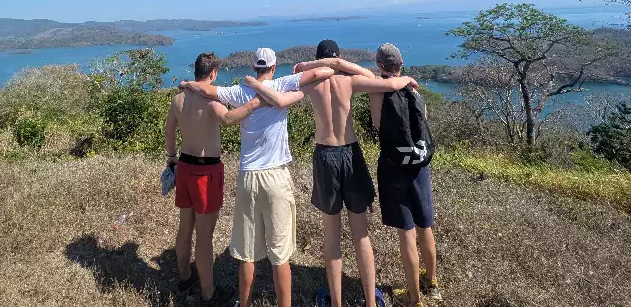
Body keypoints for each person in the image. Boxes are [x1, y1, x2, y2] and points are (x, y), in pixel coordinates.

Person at [246, 40, 417, 307]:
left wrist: (257, 82)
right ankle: (371, 303)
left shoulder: (310, 84)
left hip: (325, 156)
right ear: (339, 57)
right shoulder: (351, 81)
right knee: (361, 235)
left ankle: (335, 302)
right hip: (351, 154)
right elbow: (384, 82)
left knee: (332, 237)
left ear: (318, 59)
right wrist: (406, 79)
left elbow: (280, 94)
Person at [181, 48, 335, 307]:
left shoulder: (240, 92)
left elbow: (206, 90)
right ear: (273, 67)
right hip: (276, 177)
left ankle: (245, 304)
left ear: (254, 68)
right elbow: (324, 72)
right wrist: (307, 65)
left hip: (248, 177)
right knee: (280, 256)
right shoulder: (281, 85)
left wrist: (187, 84)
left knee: (247, 254)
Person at [165, 52, 265, 306]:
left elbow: (169, 130)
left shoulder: (178, 99)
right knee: (204, 235)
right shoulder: (210, 100)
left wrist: (171, 157)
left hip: (184, 167)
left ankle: (185, 279)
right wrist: (255, 103)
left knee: (185, 227)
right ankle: (209, 293)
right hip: (205, 172)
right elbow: (228, 119)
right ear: (213, 74)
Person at [371, 44, 441, 306]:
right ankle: (431, 284)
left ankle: (414, 298)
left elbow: (377, 124)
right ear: (401, 64)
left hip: (394, 167)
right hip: (419, 166)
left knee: (407, 232)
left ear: (380, 65)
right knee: (425, 227)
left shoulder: (378, 91)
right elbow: (423, 123)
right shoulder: (415, 91)